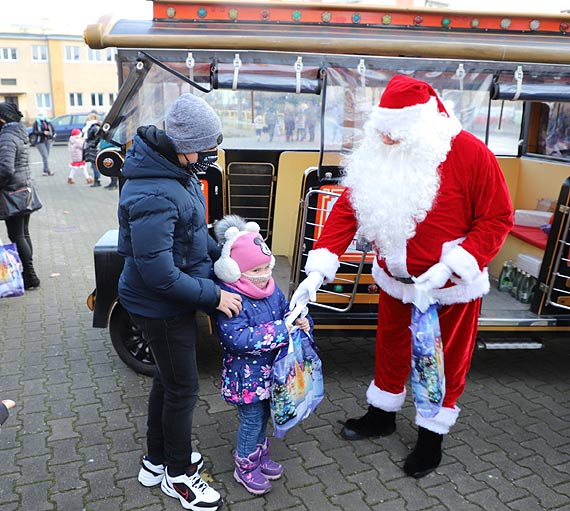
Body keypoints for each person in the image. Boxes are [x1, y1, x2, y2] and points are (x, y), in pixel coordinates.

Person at [289, 75, 514, 478]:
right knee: (391, 348)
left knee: (442, 362)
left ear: (420, 125)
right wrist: (319, 266)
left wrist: (451, 265)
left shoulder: (469, 153)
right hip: (395, 281)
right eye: (382, 130)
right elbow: (347, 208)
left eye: (396, 131)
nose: (387, 139)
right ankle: (382, 414)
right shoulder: (379, 150)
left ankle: (431, 437)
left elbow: (498, 218)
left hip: (450, 289)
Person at [117, 93, 242, 511]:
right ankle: (179, 475)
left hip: (165, 301)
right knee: (183, 388)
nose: (212, 156)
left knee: (167, 381)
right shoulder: (154, 191)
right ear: (186, 146)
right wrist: (214, 296)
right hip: (160, 306)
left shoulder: (174, 172)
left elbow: (192, 231)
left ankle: (156, 462)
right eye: (208, 149)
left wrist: (224, 247)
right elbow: (160, 273)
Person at [212, 215, 311, 495]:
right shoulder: (232, 297)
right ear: (235, 271)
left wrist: (300, 319)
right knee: (252, 419)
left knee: (265, 415)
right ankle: (244, 466)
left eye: (267, 267)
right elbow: (237, 338)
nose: (265, 274)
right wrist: (282, 329)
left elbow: (285, 313)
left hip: (271, 374)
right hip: (247, 377)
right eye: (257, 269)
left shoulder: (270, 290)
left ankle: (258, 455)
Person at [0, 102, 41, 290]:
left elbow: (6, 168)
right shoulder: (18, 133)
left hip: (12, 192)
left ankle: (30, 275)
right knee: (23, 233)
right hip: (24, 189)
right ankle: (29, 274)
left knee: (16, 235)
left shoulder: (7, 136)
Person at [82, 113, 110, 188]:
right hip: (91, 148)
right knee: (93, 165)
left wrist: (93, 144)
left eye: (89, 118)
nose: (87, 119)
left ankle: (97, 180)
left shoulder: (94, 127)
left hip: (93, 149)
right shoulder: (91, 126)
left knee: (95, 165)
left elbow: (98, 137)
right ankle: (96, 180)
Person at [31, 111, 55, 176]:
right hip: (40, 141)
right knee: (45, 155)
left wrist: (52, 136)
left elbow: (52, 129)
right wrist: (43, 132)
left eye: (42, 115)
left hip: (48, 140)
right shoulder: (36, 123)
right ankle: (47, 170)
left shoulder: (48, 122)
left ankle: (45, 171)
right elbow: (34, 132)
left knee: (46, 156)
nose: (41, 116)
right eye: (40, 115)